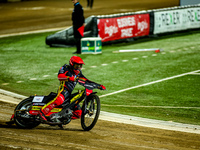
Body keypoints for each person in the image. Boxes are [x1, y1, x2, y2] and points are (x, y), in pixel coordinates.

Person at [39, 56, 106, 123]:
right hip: (63, 90)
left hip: (69, 94)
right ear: (72, 64)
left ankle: (62, 119)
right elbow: (60, 77)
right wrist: (70, 78)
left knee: (79, 113)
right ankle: (42, 112)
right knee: (59, 100)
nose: (78, 68)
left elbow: (86, 80)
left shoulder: (79, 73)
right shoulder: (65, 68)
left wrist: (98, 85)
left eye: (80, 66)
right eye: (77, 66)